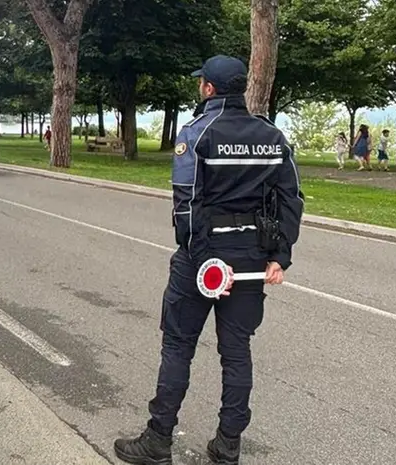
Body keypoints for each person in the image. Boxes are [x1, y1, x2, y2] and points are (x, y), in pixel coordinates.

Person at [113, 55, 304, 465]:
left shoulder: (197, 134)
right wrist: (280, 255)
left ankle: (158, 439)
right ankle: (227, 446)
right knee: (237, 351)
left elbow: (186, 205)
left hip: (203, 259)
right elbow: (292, 199)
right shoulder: (271, 136)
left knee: (179, 345)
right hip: (252, 257)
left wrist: (201, 260)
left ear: (209, 89)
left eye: (202, 82)